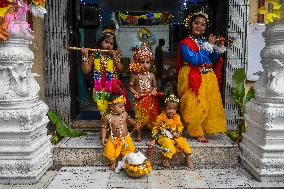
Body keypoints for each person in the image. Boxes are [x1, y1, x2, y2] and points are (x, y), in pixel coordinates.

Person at [176, 10, 227, 143]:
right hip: (192, 76)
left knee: (208, 103)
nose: (199, 26)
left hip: (208, 76)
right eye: (196, 23)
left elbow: (210, 59)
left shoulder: (204, 41)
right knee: (195, 104)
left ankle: (204, 127)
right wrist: (209, 45)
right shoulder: (185, 43)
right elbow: (194, 60)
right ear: (190, 25)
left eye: (203, 24)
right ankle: (196, 131)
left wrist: (217, 48)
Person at [81, 24, 131, 114]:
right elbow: (86, 70)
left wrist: (116, 58)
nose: (109, 45)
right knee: (104, 111)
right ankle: (106, 125)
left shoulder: (114, 55)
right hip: (99, 86)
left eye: (111, 44)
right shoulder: (94, 55)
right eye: (106, 42)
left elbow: (121, 70)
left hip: (114, 87)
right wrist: (85, 56)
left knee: (116, 109)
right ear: (101, 41)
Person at [129, 43, 163, 142]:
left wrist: (153, 91)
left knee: (152, 116)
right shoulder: (135, 75)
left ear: (150, 63)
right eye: (142, 62)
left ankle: (153, 133)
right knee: (139, 117)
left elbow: (155, 87)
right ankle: (139, 134)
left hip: (151, 100)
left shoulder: (152, 75)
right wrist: (135, 93)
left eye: (147, 62)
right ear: (137, 63)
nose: (144, 64)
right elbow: (130, 87)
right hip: (139, 100)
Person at [149, 94, 193, 168]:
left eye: (174, 109)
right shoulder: (160, 117)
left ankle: (187, 158)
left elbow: (180, 126)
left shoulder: (177, 117)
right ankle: (166, 159)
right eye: (169, 108)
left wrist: (178, 133)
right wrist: (154, 139)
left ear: (176, 109)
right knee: (168, 143)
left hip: (174, 135)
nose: (171, 111)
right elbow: (155, 128)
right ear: (165, 108)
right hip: (163, 136)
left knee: (183, 142)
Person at [101, 94, 141, 171]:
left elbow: (130, 120)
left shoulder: (125, 114)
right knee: (109, 148)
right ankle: (113, 162)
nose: (123, 108)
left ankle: (128, 161)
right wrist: (103, 137)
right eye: (120, 106)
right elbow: (104, 127)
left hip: (125, 138)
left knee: (130, 149)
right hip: (114, 139)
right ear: (112, 107)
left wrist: (135, 124)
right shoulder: (107, 117)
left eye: (123, 106)